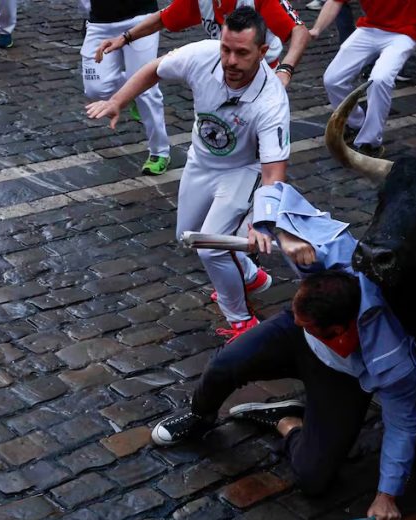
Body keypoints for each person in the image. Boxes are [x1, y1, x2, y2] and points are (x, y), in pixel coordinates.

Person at [151, 182, 416, 520]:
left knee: (314, 478)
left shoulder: (391, 359)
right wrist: (281, 231)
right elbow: (274, 190)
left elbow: (403, 425)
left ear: (339, 332)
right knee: (225, 364)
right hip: (297, 338)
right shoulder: (333, 254)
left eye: (307, 323)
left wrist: (387, 495)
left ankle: (287, 422)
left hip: (342, 378)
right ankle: (200, 416)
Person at [87, 7, 290, 341]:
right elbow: (152, 69)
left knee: (212, 246)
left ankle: (242, 320)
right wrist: (118, 101)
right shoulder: (202, 55)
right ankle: (249, 274)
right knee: (189, 236)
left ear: (262, 52)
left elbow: (274, 172)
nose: (231, 61)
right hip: (201, 162)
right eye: (226, 49)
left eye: (242, 53)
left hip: (242, 170)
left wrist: (262, 221)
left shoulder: (272, 100)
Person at [94, 0, 310, 88]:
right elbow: (164, 18)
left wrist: (285, 70)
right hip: (223, 73)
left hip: (261, 75)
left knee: (259, 150)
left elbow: (299, 31)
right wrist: (125, 38)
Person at [308, 0, 416, 157]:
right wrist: (316, 29)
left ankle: (370, 142)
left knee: (380, 79)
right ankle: (354, 123)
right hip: (370, 28)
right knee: (333, 79)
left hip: (404, 33)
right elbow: (335, 2)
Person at [82, 0, 172, 176]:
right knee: (95, 89)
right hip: (100, 23)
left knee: (146, 90)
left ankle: (160, 151)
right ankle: (131, 90)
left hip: (140, 18)